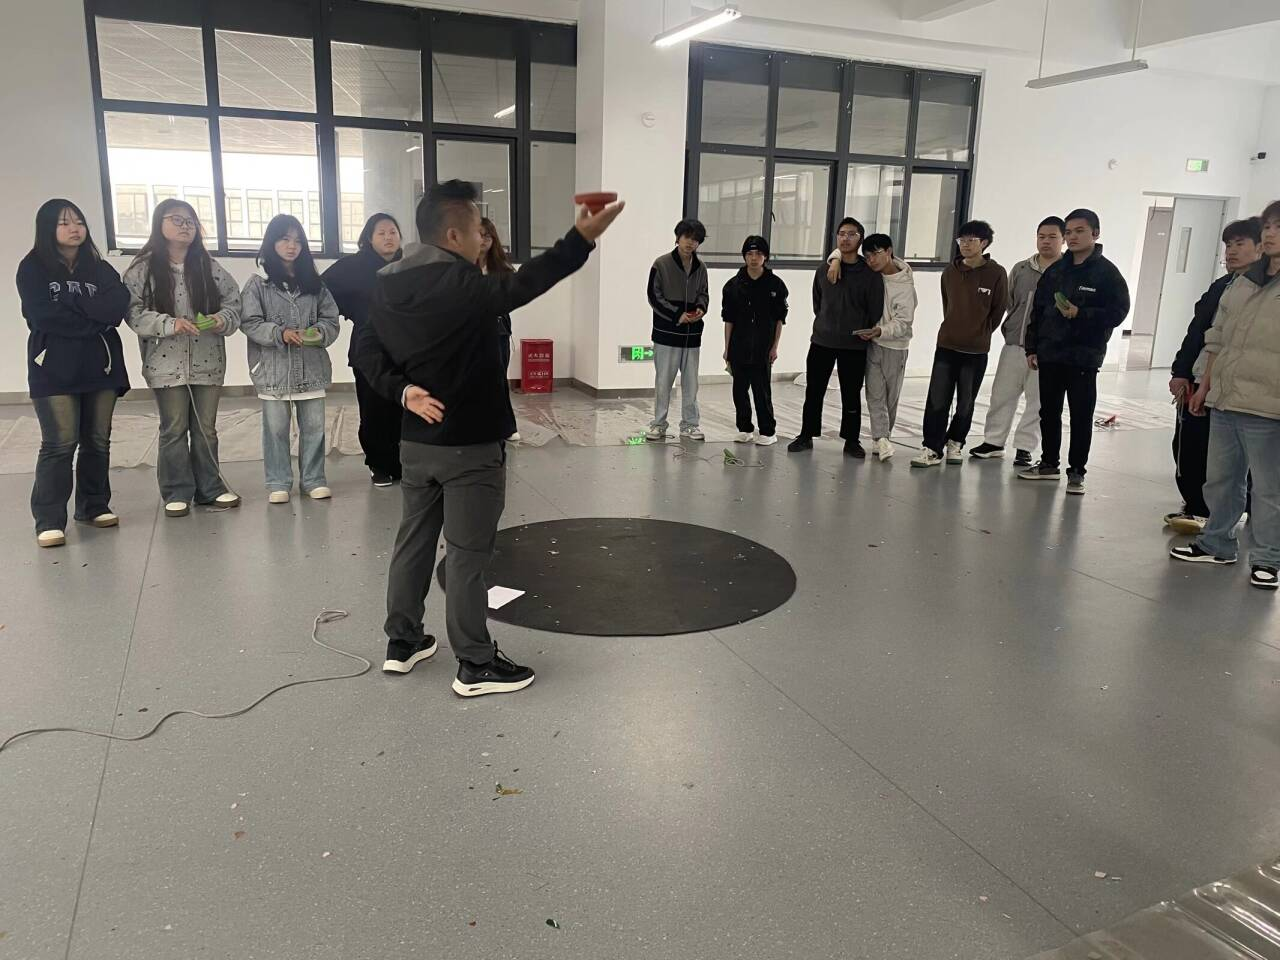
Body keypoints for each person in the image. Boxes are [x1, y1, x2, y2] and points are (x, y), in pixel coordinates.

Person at [360, 180, 624, 693]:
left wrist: (402, 391)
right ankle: (475, 662)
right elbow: (523, 285)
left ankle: (403, 641)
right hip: (470, 446)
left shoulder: (387, 283)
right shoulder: (459, 283)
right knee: (467, 554)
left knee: (413, 542)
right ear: (453, 235)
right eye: (478, 228)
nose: (483, 237)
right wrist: (581, 237)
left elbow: (365, 350)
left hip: (416, 443)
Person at [1170, 200, 1280, 591]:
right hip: (1226, 397)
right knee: (1221, 478)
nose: (1270, 233)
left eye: (1278, 227)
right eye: (1268, 226)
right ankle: (1217, 543)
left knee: (1268, 488)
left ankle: (1267, 559)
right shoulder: (1243, 282)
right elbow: (1216, 337)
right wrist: (1205, 386)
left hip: (1268, 404)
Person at [17, 199, 131, 548]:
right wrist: (93, 317)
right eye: (64, 223)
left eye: (79, 222)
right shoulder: (33, 267)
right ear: (47, 228)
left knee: (97, 440)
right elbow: (42, 315)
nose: (74, 229)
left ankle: (94, 506)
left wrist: (74, 305)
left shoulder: (99, 267)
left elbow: (117, 306)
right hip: (53, 368)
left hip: (101, 365)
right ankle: (49, 519)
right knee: (60, 442)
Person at [123, 199, 242, 518]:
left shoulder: (209, 267)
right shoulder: (142, 269)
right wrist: (168, 324)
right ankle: (176, 491)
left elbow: (234, 304)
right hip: (164, 364)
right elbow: (132, 313)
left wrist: (221, 320)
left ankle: (210, 488)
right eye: (176, 219)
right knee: (173, 428)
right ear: (158, 224)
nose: (185, 225)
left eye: (190, 220)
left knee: (206, 429)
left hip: (208, 362)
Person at [1020, 209, 1130, 494]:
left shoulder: (1107, 273)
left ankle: (1077, 472)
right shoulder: (1056, 271)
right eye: (1068, 232)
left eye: (1079, 231)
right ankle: (1048, 464)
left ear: (1095, 233)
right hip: (1050, 354)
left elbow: (1118, 312)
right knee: (1049, 412)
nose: (1072, 237)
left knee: (1081, 415)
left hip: (1084, 357)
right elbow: (1038, 312)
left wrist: (1082, 313)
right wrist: (1032, 347)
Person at [1164, 217, 1261, 534]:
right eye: (1228, 245)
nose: (1231, 251)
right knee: (1189, 446)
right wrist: (1181, 371)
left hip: (1237, 386)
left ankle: (1229, 512)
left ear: (1260, 248)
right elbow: (1198, 333)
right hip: (1200, 378)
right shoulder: (1222, 286)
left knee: (1232, 457)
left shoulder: (1264, 292)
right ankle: (1197, 506)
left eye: (1240, 244)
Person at [241, 215, 340, 504]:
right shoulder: (258, 285)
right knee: (275, 430)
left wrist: (317, 332)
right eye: (284, 239)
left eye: (297, 240)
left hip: (312, 369)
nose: (291, 245)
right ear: (271, 243)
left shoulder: (316, 285)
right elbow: (249, 322)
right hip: (273, 372)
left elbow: (331, 321)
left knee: (314, 428)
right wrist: (279, 333)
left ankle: (313, 479)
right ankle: (278, 482)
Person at [910, 220, 1008, 468]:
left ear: (984, 243)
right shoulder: (950, 272)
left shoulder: (996, 273)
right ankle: (932, 447)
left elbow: (998, 310)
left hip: (976, 349)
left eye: (971, 240)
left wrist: (980, 333)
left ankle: (955, 442)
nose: (965, 245)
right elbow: (948, 305)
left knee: (966, 401)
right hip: (947, 345)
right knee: (937, 399)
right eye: (961, 240)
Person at [970, 217, 1065, 467]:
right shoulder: (1021, 269)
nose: (1046, 241)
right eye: (1041, 236)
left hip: (1047, 350)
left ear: (1063, 239)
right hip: (1014, 343)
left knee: (1037, 401)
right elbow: (1009, 302)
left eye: (1052, 237)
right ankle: (993, 441)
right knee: (1002, 394)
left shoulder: (1067, 272)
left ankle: (1025, 447)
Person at [788, 217, 884, 458]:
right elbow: (817, 303)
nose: (845, 238)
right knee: (814, 391)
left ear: (860, 239)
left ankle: (851, 440)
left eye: (851, 234)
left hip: (854, 344)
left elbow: (875, 309)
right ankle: (806, 435)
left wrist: (863, 328)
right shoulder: (824, 269)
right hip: (823, 340)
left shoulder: (869, 273)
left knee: (851, 394)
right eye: (842, 233)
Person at [321, 213, 404, 487]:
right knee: (374, 409)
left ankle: (402, 462)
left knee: (403, 408)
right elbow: (322, 290)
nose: (388, 237)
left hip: (407, 350)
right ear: (369, 238)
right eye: (381, 233)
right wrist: (352, 311)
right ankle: (379, 464)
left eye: (393, 232)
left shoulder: (409, 264)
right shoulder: (353, 266)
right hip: (369, 350)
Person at [721, 235, 788, 446]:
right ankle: (744, 428)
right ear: (744, 256)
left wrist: (774, 347)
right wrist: (727, 348)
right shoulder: (733, 286)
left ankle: (768, 431)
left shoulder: (775, 285)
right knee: (739, 391)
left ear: (765, 257)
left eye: (758, 253)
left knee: (762, 391)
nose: (753, 258)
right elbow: (728, 319)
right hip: (739, 346)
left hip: (762, 347)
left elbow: (779, 319)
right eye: (749, 253)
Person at [646, 219, 709, 442]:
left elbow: (704, 293)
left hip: (692, 336)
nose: (690, 243)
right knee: (664, 382)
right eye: (687, 237)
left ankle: (690, 425)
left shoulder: (701, 268)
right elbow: (654, 296)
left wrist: (701, 308)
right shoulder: (661, 264)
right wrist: (677, 314)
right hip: (666, 334)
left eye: (695, 239)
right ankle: (658, 424)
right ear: (678, 237)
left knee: (691, 384)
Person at [858, 233, 916, 461]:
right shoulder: (870, 275)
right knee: (874, 394)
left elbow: (904, 322)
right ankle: (881, 438)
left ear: (889, 251)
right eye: (867, 256)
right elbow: (843, 254)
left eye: (875, 254)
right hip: (872, 343)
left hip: (896, 347)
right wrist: (834, 259)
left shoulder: (904, 284)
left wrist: (881, 330)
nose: (871, 260)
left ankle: (883, 438)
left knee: (891, 398)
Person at [478, 217, 520, 443]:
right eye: (480, 234)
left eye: (488, 235)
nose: (484, 240)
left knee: (498, 378)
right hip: (469, 331)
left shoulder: (501, 268)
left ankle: (506, 426)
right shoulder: (461, 267)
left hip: (498, 330)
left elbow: (511, 298)